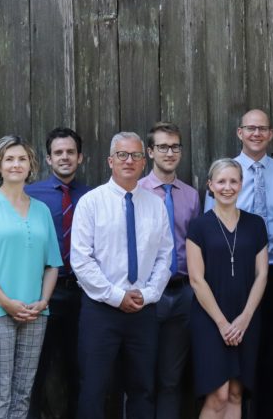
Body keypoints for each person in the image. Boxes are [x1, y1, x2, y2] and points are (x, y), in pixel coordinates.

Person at [71, 132, 173, 419]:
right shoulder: (91, 203)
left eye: (136, 155)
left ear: (144, 161)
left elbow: (165, 256)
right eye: (122, 155)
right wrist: (117, 297)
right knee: (93, 388)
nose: (129, 161)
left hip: (143, 310)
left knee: (143, 388)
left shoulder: (155, 205)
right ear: (110, 161)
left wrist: (148, 294)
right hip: (101, 309)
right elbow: (81, 259)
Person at [0, 136, 62, 419]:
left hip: (34, 312)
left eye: (22, 159)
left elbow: (52, 264)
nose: (16, 164)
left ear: (30, 165)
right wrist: (5, 302)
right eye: (9, 159)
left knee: (23, 393)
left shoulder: (41, 210)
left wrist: (43, 301)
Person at [205, 109, 273, 418]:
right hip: (235, 275)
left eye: (262, 128)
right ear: (239, 132)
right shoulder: (225, 174)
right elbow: (210, 226)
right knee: (235, 354)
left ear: (271, 134)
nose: (256, 133)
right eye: (250, 128)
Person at [188, 158, 268, 418]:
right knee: (218, 394)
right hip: (210, 319)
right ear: (210, 185)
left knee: (236, 393)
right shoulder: (198, 226)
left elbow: (262, 274)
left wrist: (245, 318)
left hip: (246, 317)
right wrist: (223, 324)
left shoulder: (255, 224)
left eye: (233, 181)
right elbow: (196, 279)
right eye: (221, 181)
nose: (227, 187)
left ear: (241, 184)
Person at [25, 127, 91, 419]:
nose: (65, 157)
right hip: (42, 294)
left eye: (70, 152)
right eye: (58, 153)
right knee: (34, 371)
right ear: (49, 159)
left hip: (84, 294)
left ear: (80, 158)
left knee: (80, 371)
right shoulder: (30, 195)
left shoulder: (92, 196)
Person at [138, 122, 200, 419]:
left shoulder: (191, 195)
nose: (170, 152)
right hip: (147, 295)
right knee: (140, 377)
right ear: (150, 152)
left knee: (171, 380)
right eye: (162, 147)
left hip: (182, 293)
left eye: (175, 147)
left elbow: (196, 244)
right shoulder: (136, 191)